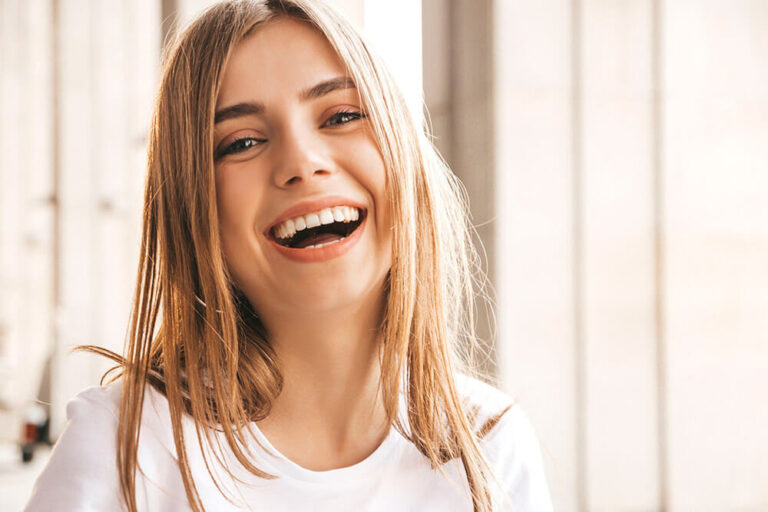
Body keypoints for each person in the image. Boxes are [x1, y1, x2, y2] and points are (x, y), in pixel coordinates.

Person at [24, 1, 552, 510]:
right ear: (192, 208)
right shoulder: (125, 449)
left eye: (342, 115)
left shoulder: (491, 444)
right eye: (242, 142)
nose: (302, 162)